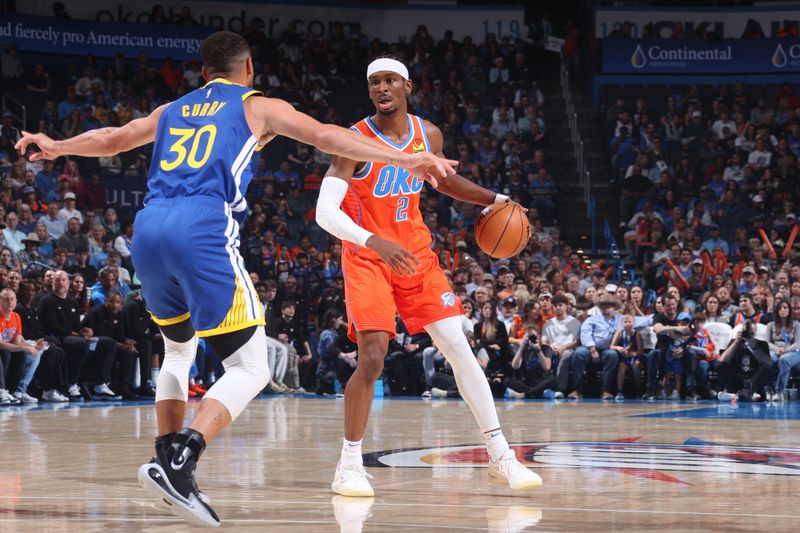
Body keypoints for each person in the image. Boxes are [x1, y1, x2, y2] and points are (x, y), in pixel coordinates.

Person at [15, 32, 455, 527]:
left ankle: (166, 460)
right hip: (201, 228)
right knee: (251, 367)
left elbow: (113, 138)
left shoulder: (173, 108)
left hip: (148, 228)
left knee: (178, 350)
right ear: (248, 69)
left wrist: (54, 146)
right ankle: (180, 458)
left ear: (204, 73)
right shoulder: (258, 105)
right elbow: (330, 136)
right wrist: (408, 158)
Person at [316, 56, 540, 497]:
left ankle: (500, 456)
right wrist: (374, 242)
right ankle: (348, 464)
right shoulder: (353, 141)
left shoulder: (427, 133)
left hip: (416, 255)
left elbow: (443, 180)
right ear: (370, 91)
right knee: (374, 357)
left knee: (458, 345)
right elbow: (324, 213)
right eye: (375, 82)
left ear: (407, 87)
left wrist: (496, 198)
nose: (382, 88)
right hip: (368, 256)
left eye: (390, 81)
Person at [609, 313, 644, 400]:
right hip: (623, 358)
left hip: (634, 357)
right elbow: (611, 346)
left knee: (635, 365)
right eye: (625, 322)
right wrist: (618, 347)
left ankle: (639, 389)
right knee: (621, 366)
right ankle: (619, 391)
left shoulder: (637, 334)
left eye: (629, 322)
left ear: (634, 323)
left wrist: (632, 354)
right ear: (622, 323)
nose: (627, 323)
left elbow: (640, 351)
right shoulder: (619, 333)